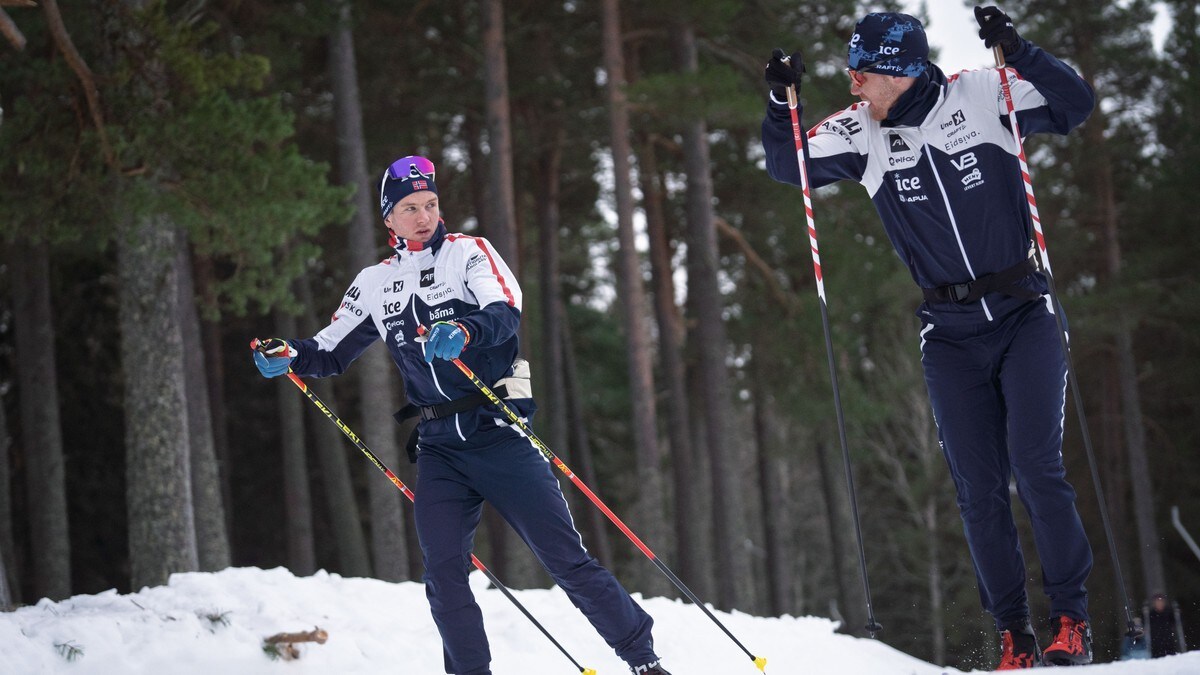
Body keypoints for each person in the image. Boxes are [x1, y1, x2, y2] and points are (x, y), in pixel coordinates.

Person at [761, 6, 1096, 670]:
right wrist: (779, 101)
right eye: (849, 68)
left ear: (904, 71)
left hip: (1023, 309)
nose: (851, 82)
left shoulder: (981, 93)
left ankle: (1070, 619)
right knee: (977, 486)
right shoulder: (860, 133)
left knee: (1036, 466)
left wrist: (1017, 48)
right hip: (949, 333)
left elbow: (1074, 101)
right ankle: (1013, 634)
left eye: (863, 71)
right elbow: (786, 164)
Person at [251, 155, 670, 675]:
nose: (424, 216)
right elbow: (329, 351)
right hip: (440, 449)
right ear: (389, 218)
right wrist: (287, 354)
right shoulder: (377, 282)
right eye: (410, 208)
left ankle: (642, 659)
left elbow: (504, 311)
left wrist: (466, 331)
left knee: (564, 560)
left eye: (430, 204)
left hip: (498, 433)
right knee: (444, 573)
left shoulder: (468, 253)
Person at [1147, 592, 1183, 658]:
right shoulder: (1151, 614)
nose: (1159, 603)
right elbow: (1146, 625)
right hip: (1156, 644)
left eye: (1161, 601)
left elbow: (1177, 622)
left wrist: (1178, 614)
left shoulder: (1169, 612)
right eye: (1157, 602)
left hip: (1168, 642)